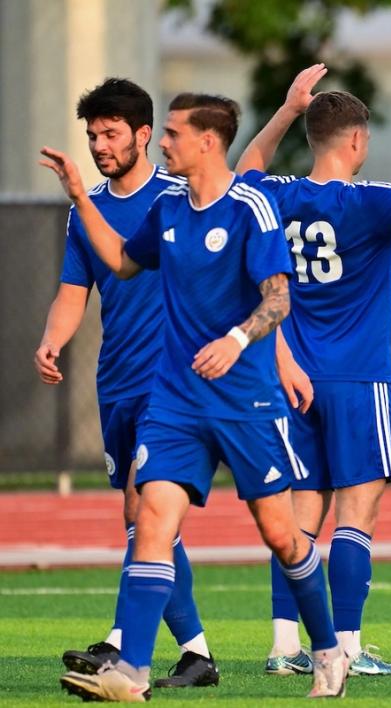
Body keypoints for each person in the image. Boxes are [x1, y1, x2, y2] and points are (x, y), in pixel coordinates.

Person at [42, 92, 348, 701]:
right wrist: (79, 194)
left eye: (173, 134)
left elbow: (279, 298)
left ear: (207, 141)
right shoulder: (168, 208)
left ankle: (328, 650)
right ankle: (130, 669)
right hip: (175, 400)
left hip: (245, 403)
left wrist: (238, 339)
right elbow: (124, 266)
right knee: (150, 517)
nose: (163, 144)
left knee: (283, 537)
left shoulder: (250, 207)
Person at [234, 63, 391, 676]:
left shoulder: (277, 196)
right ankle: (349, 648)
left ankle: (286, 647)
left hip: (292, 379)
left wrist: (286, 108)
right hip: (358, 379)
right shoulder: (369, 202)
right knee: (356, 516)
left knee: (299, 520)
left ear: (311, 137)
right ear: (357, 140)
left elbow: (242, 174)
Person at [34, 78, 216, 690]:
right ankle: (194, 651)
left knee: (147, 509)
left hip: (175, 385)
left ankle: (123, 645)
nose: (99, 145)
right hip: (117, 381)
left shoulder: (178, 198)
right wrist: (53, 338)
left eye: (111, 133)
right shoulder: (85, 211)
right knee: (140, 518)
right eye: (92, 135)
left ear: (144, 135)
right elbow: (72, 289)